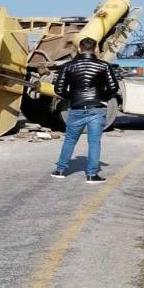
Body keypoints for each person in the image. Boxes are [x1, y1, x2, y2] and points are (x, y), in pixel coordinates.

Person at [51, 37, 119, 184]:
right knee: (94, 142)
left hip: (76, 108)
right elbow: (114, 88)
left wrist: (72, 98)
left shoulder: (68, 66)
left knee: (70, 140)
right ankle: (92, 175)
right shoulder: (104, 66)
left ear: (79, 49)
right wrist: (102, 98)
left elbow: (58, 89)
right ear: (95, 49)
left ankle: (60, 170)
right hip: (97, 108)